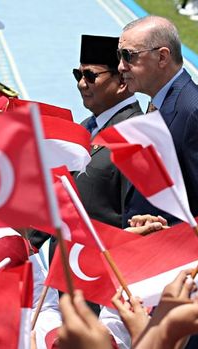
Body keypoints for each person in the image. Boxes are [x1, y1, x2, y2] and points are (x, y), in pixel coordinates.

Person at [117, 15, 198, 349]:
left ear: (162, 57)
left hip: (189, 279)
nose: (120, 66)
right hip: (157, 274)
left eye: (129, 56)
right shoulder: (158, 104)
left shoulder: (195, 111)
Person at [74, 35, 144, 229]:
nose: (81, 84)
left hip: (102, 256)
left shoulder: (136, 137)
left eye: (90, 76)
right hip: (67, 255)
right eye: (78, 75)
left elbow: (134, 218)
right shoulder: (85, 126)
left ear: (122, 81)